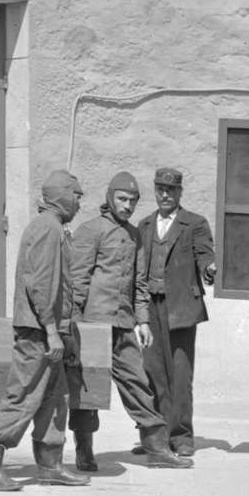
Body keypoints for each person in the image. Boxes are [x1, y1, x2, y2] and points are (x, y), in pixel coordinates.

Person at [67, 171, 192, 470]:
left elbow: (139, 285)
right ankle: (84, 452)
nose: (128, 206)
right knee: (88, 391)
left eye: (133, 201)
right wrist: (72, 324)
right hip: (92, 326)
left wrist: (142, 321)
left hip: (123, 326)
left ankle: (157, 449)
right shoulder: (90, 230)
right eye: (122, 199)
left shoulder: (135, 235)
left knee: (139, 383)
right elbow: (78, 280)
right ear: (110, 197)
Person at [0, 170, 91, 492]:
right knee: (23, 395)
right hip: (38, 332)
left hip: (48, 330)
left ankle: (51, 465)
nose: (81, 203)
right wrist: (52, 330)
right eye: (77, 196)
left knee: (54, 400)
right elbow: (40, 284)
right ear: (63, 195)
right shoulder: (48, 229)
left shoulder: (53, 228)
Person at [135, 168, 217, 458]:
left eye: (171, 190)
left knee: (180, 374)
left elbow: (205, 254)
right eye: (160, 189)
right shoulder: (144, 225)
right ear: (155, 191)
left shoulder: (194, 223)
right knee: (152, 372)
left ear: (180, 193)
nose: (165, 195)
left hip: (181, 308)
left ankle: (181, 436)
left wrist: (209, 269)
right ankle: (155, 435)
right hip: (150, 308)